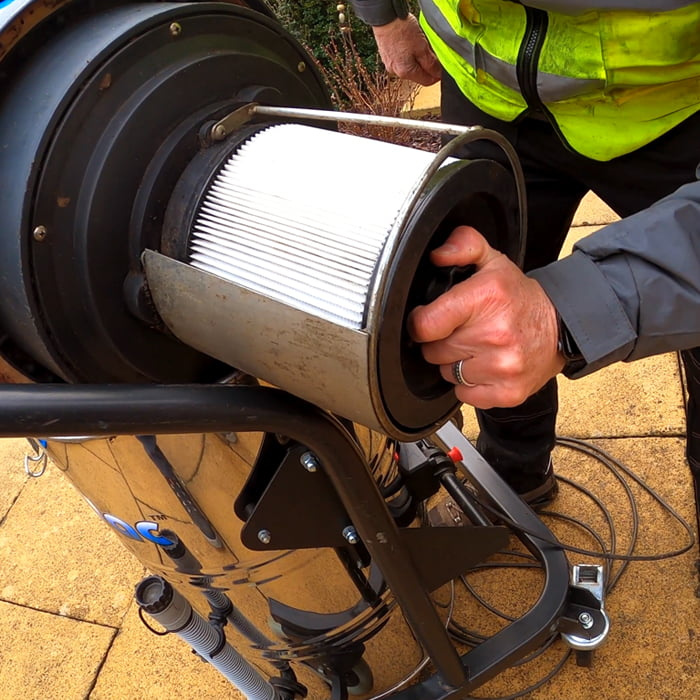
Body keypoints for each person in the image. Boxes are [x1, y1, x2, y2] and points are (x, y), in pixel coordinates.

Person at [350, 0, 700, 507]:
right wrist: (382, 16)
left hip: (675, 109)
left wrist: (569, 315)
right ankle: (515, 479)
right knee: (470, 301)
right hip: (487, 94)